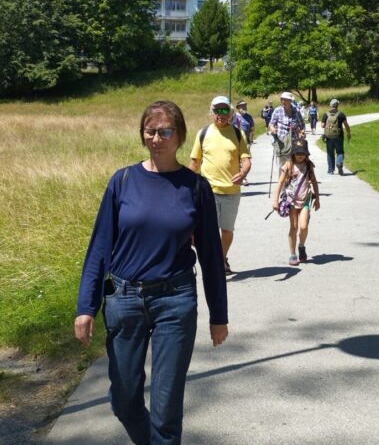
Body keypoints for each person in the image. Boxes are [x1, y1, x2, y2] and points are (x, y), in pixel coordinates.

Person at [74, 100, 228, 445]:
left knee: (166, 409)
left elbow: (211, 256)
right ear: (143, 134)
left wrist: (219, 315)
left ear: (180, 136)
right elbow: (99, 247)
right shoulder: (123, 181)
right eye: (150, 131)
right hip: (124, 300)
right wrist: (86, 307)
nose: (157, 139)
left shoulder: (195, 187)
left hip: (175, 301)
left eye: (165, 131)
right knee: (124, 400)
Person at [189, 95, 252, 274]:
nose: (221, 114)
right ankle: (215, 263)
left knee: (227, 231)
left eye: (225, 110)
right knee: (209, 230)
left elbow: (246, 160)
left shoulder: (238, 134)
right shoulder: (203, 134)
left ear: (230, 113)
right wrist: (185, 186)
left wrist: (243, 173)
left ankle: (221, 258)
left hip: (232, 191)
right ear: (212, 112)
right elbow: (194, 163)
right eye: (217, 110)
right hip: (209, 191)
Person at [271, 138, 320, 266]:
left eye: (303, 153)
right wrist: (275, 200)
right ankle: (293, 254)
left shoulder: (309, 165)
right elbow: (280, 183)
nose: (300, 155)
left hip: (305, 199)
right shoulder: (288, 165)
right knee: (293, 227)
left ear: (306, 153)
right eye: (298, 153)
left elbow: (314, 182)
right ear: (293, 153)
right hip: (291, 201)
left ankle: (301, 246)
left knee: (303, 226)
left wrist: (317, 199)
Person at [269, 91, 306, 168]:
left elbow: (302, 125)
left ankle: (291, 175)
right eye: (282, 99)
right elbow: (271, 123)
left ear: (290, 101)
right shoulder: (277, 110)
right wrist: (272, 129)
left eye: (285, 100)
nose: (283, 101)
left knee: (293, 163)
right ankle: (283, 175)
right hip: (281, 141)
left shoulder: (296, 111)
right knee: (283, 165)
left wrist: (302, 132)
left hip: (294, 141)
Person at [320, 99, 352, 174]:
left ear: (330, 105)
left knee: (330, 153)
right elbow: (346, 125)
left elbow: (322, 125)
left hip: (329, 137)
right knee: (340, 152)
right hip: (339, 136)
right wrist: (348, 133)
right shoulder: (341, 114)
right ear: (337, 105)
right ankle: (339, 163)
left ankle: (330, 170)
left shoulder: (326, 114)